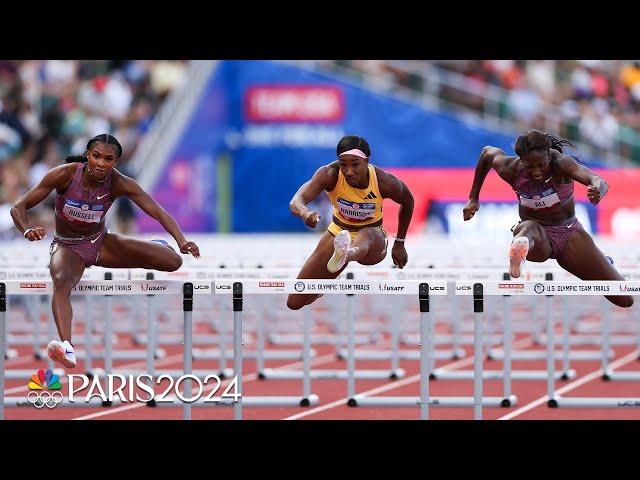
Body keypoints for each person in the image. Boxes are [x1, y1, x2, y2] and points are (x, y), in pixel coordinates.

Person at [10, 134, 201, 369]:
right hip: (68, 247)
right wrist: (27, 230)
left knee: (173, 262)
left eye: (108, 159)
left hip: (100, 242)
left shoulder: (119, 182)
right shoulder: (65, 174)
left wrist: (181, 241)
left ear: (116, 162)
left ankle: (156, 246)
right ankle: (67, 346)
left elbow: (158, 211)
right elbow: (19, 207)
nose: (101, 163)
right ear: (88, 156)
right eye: (96, 157)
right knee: (61, 281)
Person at [463, 129, 633, 308]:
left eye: (542, 165)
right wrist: (473, 197)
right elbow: (486, 153)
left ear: (549, 158)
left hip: (568, 233)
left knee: (624, 299)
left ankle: (602, 261)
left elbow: (596, 179)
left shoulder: (561, 164)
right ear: (521, 160)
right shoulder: (510, 168)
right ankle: (519, 249)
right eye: (529, 167)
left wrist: (598, 189)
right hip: (538, 239)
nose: (536, 172)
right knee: (528, 228)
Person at [287, 135, 414, 310]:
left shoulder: (384, 181)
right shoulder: (329, 174)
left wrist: (400, 242)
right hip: (338, 232)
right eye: (343, 164)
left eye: (355, 164)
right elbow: (296, 201)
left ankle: (346, 254)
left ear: (366, 161)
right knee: (295, 301)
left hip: (372, 239)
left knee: (366, 234)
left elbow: (408, 201)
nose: (348, 171)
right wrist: (306, 213)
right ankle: (337, 263)